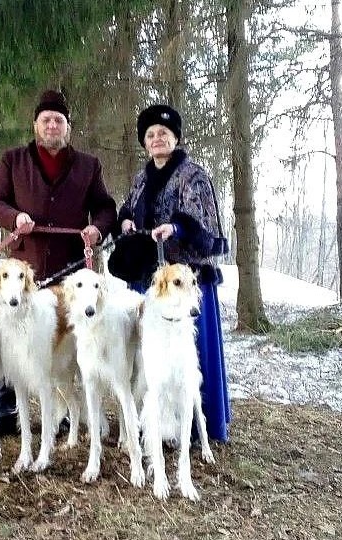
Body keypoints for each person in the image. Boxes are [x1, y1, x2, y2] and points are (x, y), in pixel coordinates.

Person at [0, 89, 117, 435]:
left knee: (67, 344)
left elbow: (106, 209)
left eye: (59, 120)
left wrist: (96, 229)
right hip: (23, 273)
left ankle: (69, 410)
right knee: (11, 338)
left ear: (67, 127)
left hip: (69, 276)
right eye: (46, 120)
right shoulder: (12, 160)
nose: (52, 125)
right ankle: (6, 408)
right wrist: (15, 218)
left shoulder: (89, 166)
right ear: (35, 125)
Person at [112, 104, 230, 443]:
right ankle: (154, 425)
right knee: (151, 358)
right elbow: (126, 209)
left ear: (175, 138)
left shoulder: (194, 175)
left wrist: (176, 228)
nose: (156, 139)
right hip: (150, 281)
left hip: (184, 283)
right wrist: (126, 222)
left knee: (191, 358)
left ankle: (197, 429)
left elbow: (203, 224)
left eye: (163, 133)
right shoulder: (141, 178)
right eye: (150, 135)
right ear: (144, 143)